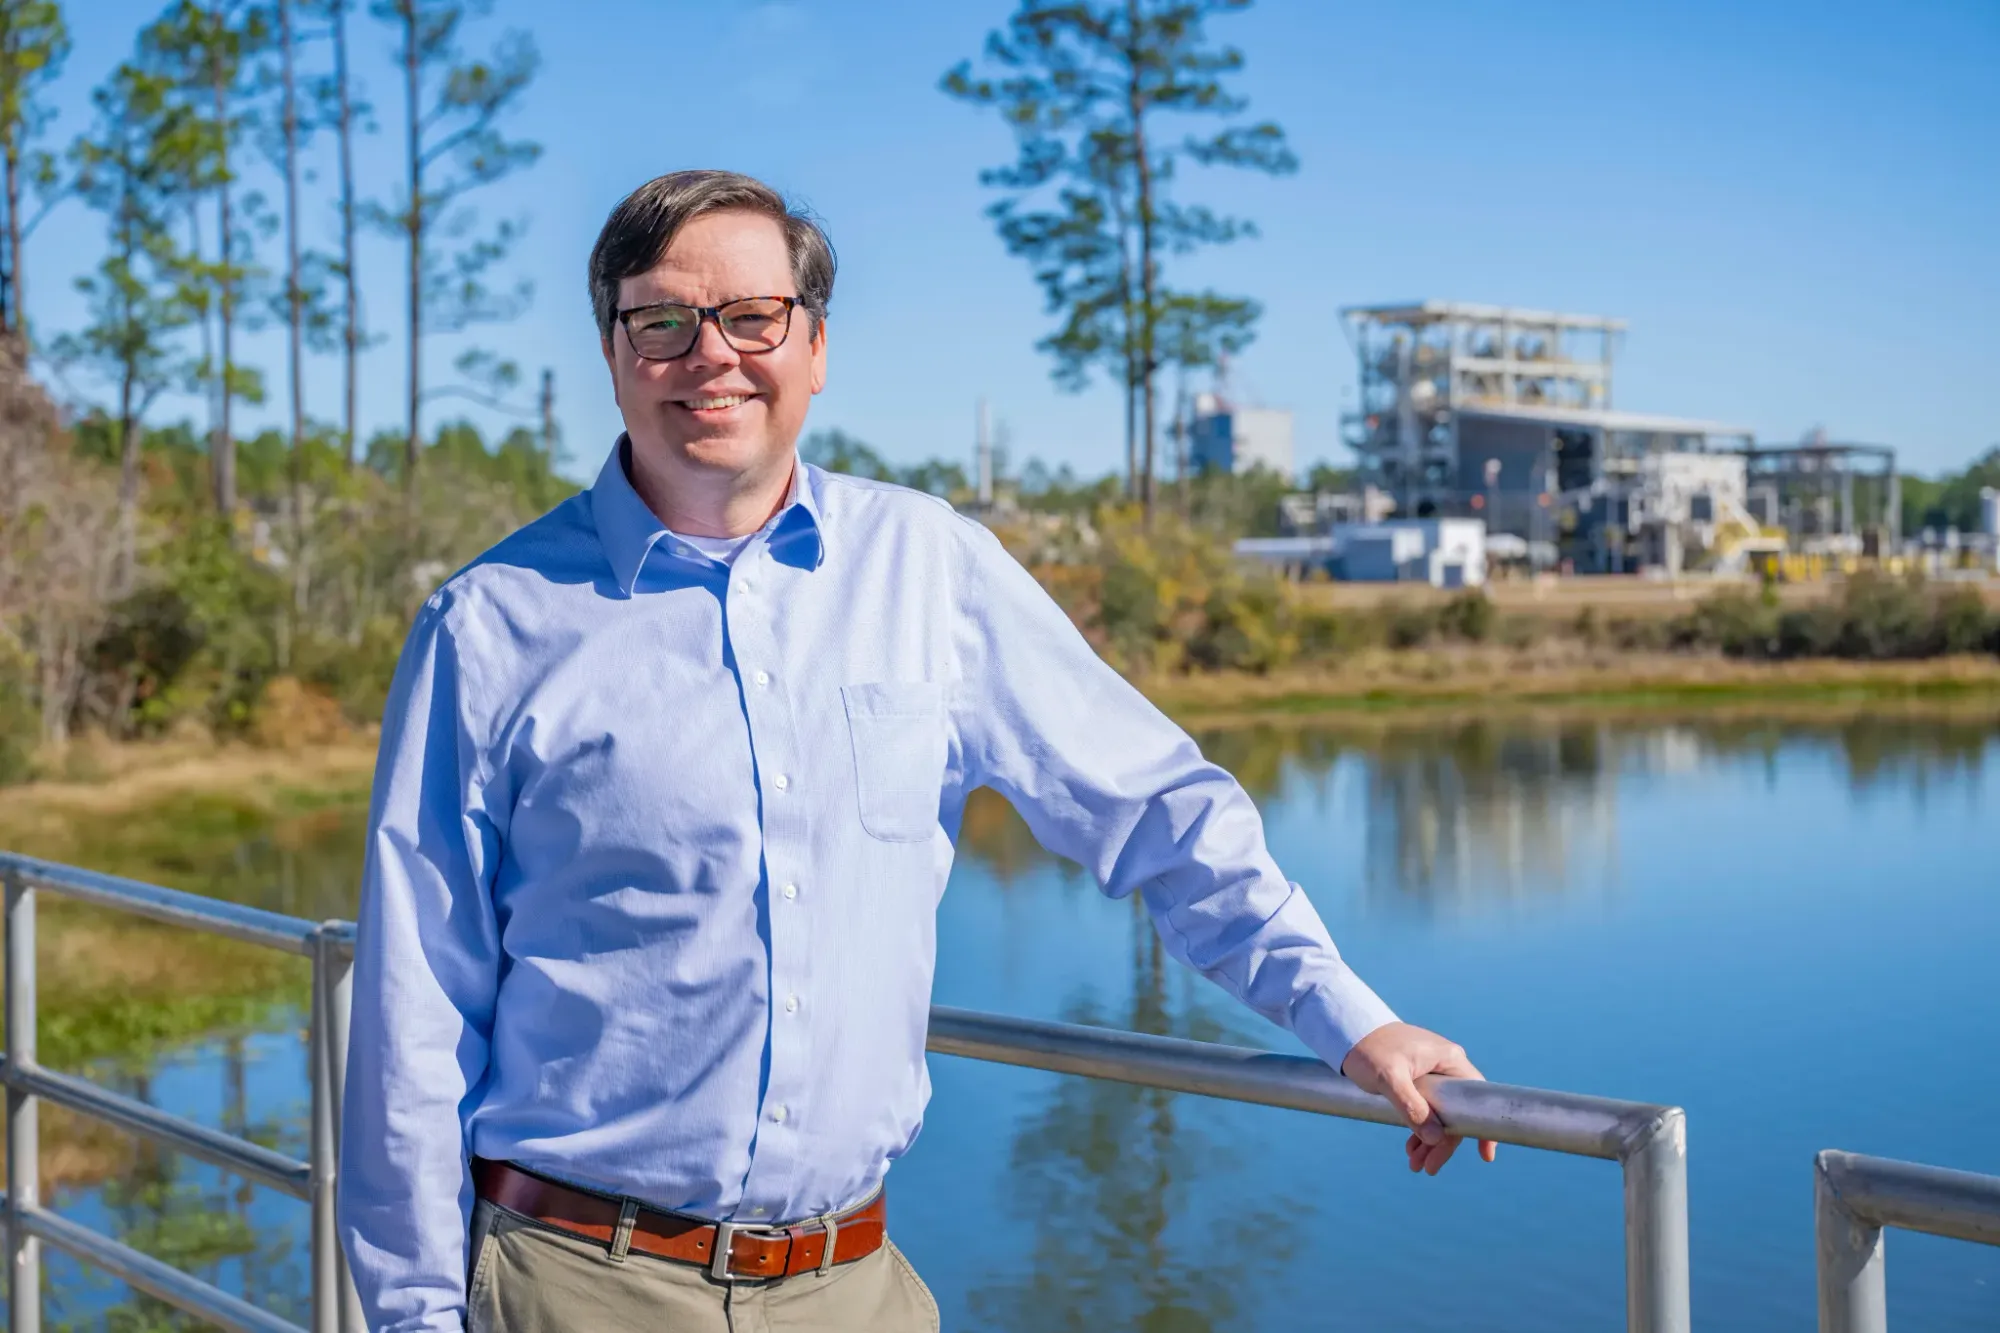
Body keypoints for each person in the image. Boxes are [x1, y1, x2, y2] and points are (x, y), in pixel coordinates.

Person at [338, 169, 1495, 1333]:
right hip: (580, 1285)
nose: (711, 354)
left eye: (753, 316)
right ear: (612, 351)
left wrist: (1351, 1021)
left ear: (815, 347)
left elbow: (1157, 812)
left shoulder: (928, 568)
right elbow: (414, 1009)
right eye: (663, 321)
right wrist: (415, 1315)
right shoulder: (489, 625)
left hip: (852, 1286)